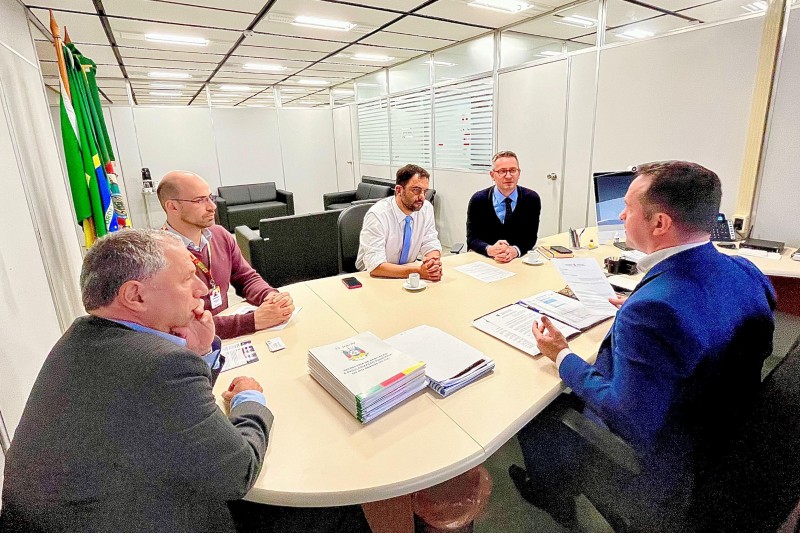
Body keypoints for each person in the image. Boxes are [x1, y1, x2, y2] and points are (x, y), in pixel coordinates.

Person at [510, 161, 776, 530]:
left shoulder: (655, 309)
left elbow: (629, 418)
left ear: (660, 223)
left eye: (629, 206)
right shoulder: (745, 270)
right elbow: (709, 315)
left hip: (664, 458)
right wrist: (642, 306)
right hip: (721, 431)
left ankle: (552, 495)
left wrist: (562, 354)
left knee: (537, 407)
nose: (620, 214)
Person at [0, 229, 271, 532]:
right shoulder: (163, 365)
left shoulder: (81, 336)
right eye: (186, 278)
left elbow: (178, 422)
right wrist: (250, 400)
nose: (202, 289)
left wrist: (200, 352)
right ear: (135, 295)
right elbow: (238, 474)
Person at [156, 171, 294, 339]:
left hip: (228, 337)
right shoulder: (158, 256)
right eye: (200, 200)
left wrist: (270, 297)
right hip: (194, 349)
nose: (212, 207)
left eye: (210, 197)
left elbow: (246, 278)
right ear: (173, 207)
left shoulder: (219, 235)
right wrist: (252, 321)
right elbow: (179, 327)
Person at [356, 164, 443, 281]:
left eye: (425, 191)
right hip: (374, 277)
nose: (422, 197)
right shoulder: (378, 215)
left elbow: (430, 241)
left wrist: (432, 263)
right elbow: (375, 266)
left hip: (408, 273)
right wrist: (418, 272)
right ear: (398, 190)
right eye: (416, 190)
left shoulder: (426, 208)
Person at [466, 150, 541, 262]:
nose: (508, 176)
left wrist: (514, 251)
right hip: (485, 259)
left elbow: (530, 237)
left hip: (517, 260)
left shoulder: (531, 199)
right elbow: (472, 238)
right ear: (492, 175)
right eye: (502, 171)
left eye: (513, 170)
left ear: (519, 173)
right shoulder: (478, 200)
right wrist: (490, 249)